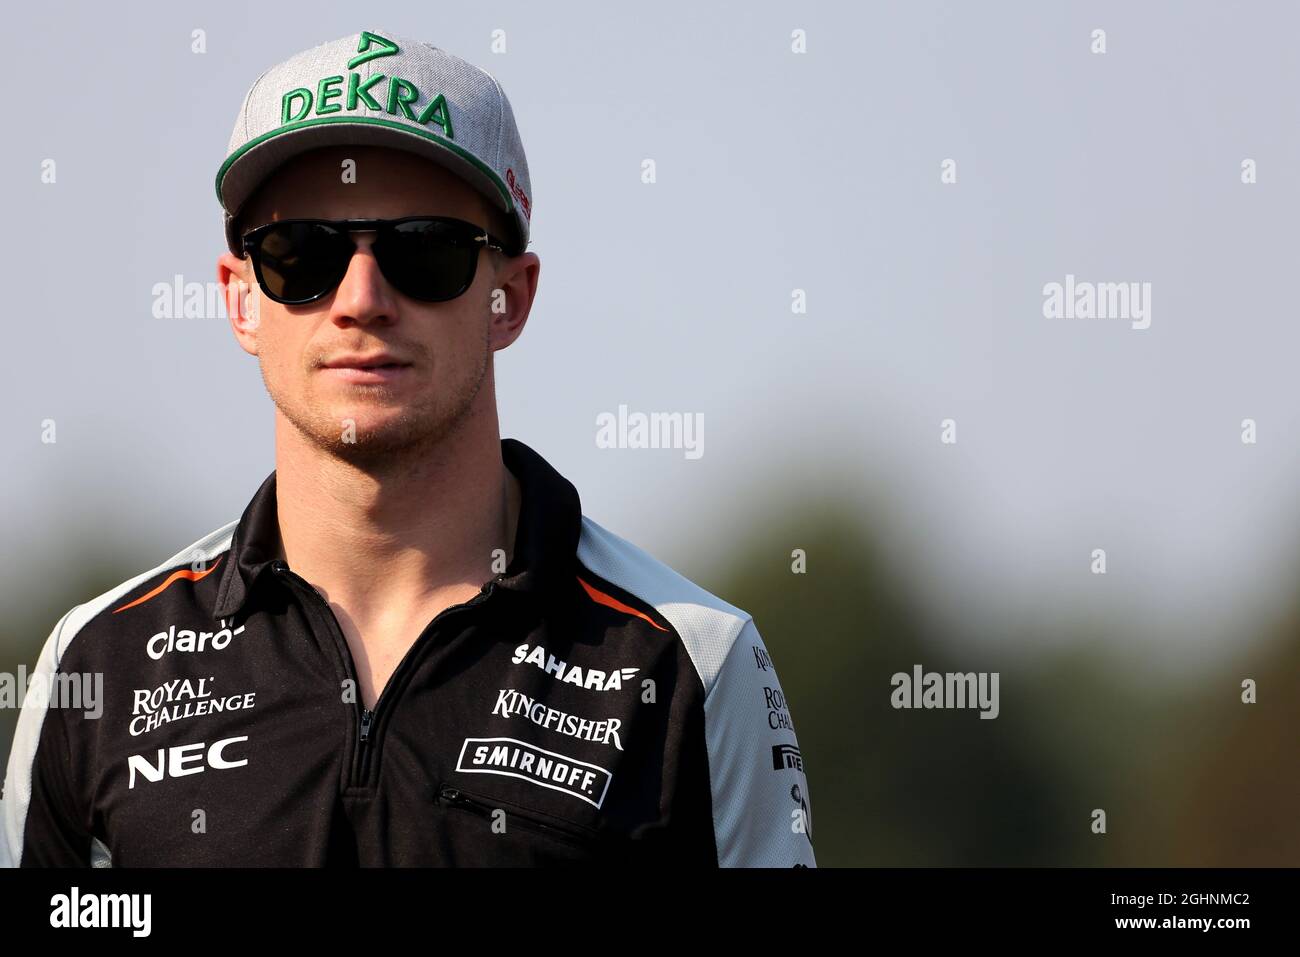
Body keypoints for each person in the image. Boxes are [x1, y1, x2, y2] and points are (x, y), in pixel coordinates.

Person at [0, 28, 815, 867]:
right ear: (240, 300)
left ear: (511, 295)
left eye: (424, 250)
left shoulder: (693, 661)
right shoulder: (94, 664)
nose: (361, 298)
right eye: (300, 254)